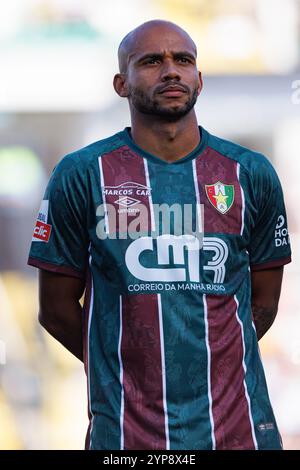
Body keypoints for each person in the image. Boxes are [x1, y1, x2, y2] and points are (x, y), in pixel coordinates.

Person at [28, 20, 291, 450]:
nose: (171, 71)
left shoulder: (250, 172)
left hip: (241, 431)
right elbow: (55, 310)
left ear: (199, 80)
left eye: (183, 60)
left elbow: (262, 304)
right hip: (127, 436)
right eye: (151, 61)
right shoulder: (81, 174)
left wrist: (211, 362)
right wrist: (127, 370)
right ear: (120, 83)